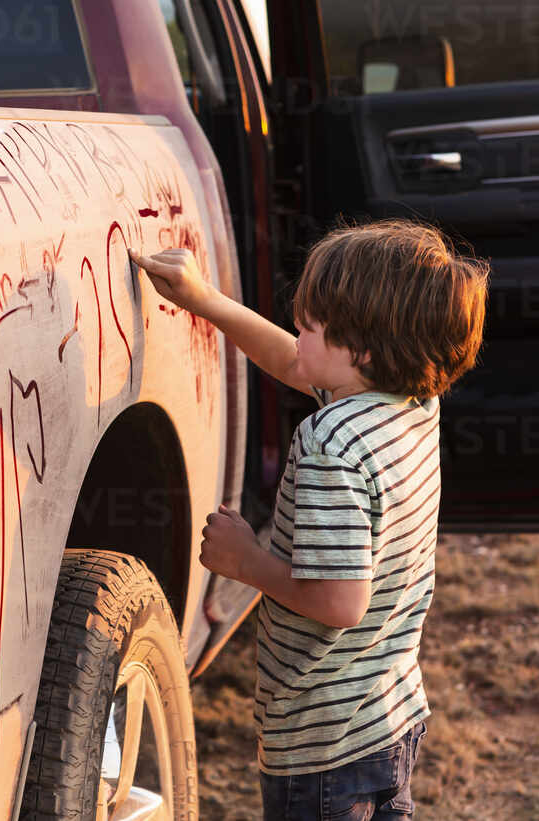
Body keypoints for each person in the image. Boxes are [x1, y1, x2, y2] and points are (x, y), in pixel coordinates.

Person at [130, 218, 489, 820]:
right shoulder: (405, 403)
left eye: (312, 325)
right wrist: (205, 301)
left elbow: (340, 602)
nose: (298, 330)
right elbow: (295, 363)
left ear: (364, 351)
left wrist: (246, 561)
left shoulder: (332, 444)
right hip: (388, 714)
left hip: (324, 743)